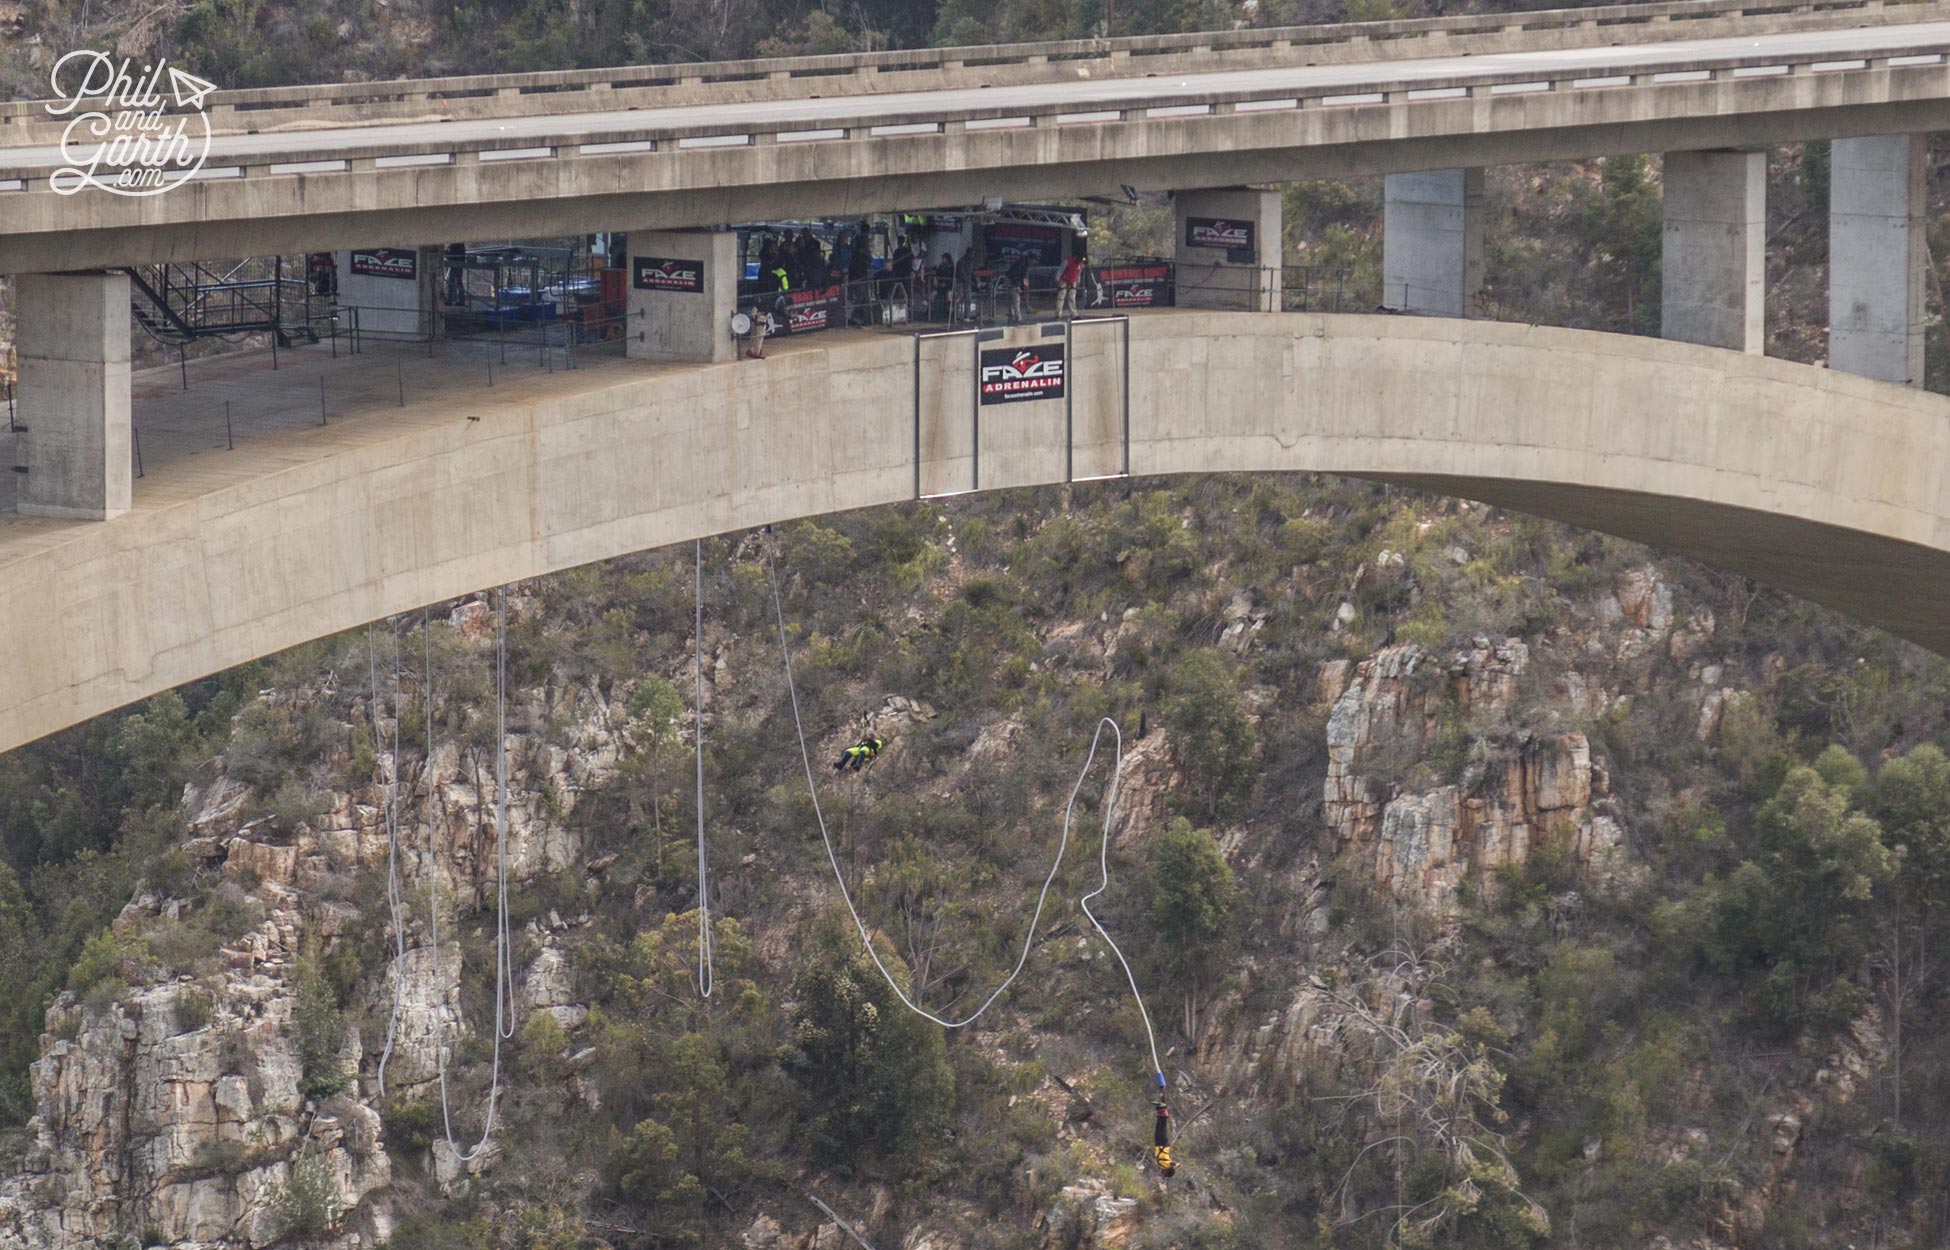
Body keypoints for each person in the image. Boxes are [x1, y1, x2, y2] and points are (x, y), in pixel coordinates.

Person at [1056, 246, 1085, 319]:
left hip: (1073, 281)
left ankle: (1074, 314)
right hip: (1064, 280)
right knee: (1061, 297)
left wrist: (1078, 281)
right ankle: (1058, 314)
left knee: (1072, 298)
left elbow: (1079, 273)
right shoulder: (1067, 261)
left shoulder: (1080, 264)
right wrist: (1057, 279)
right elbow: (1060, 270)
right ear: (1076, 256)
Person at [1007, 250, 1032, 323]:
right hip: (1011, 280)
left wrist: (1026, 285)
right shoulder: (1021, 264)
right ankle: (1018, 318)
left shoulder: (1025, 264)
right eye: (1032, 261)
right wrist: (1017, 286)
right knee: (1016, 298)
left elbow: (1024, 276)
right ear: (1029, 259)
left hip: (1013, 279)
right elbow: (1014, 276)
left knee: (1012, 299)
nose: (1033, 263)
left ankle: (1011, 316)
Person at [1153, 1102, 1176, 1178]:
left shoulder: (1163, 1166)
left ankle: (1160, 1111)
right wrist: (1176, 1165)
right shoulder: (1167, 1165)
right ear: (1167, 1171)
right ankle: (1164, 1114)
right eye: (1165, 1173)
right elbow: (1172, 1164)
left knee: (1158, 1128)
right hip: (1163, 1145)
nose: (1163, 1172)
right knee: (1162, 1129)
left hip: (1158, 1145)